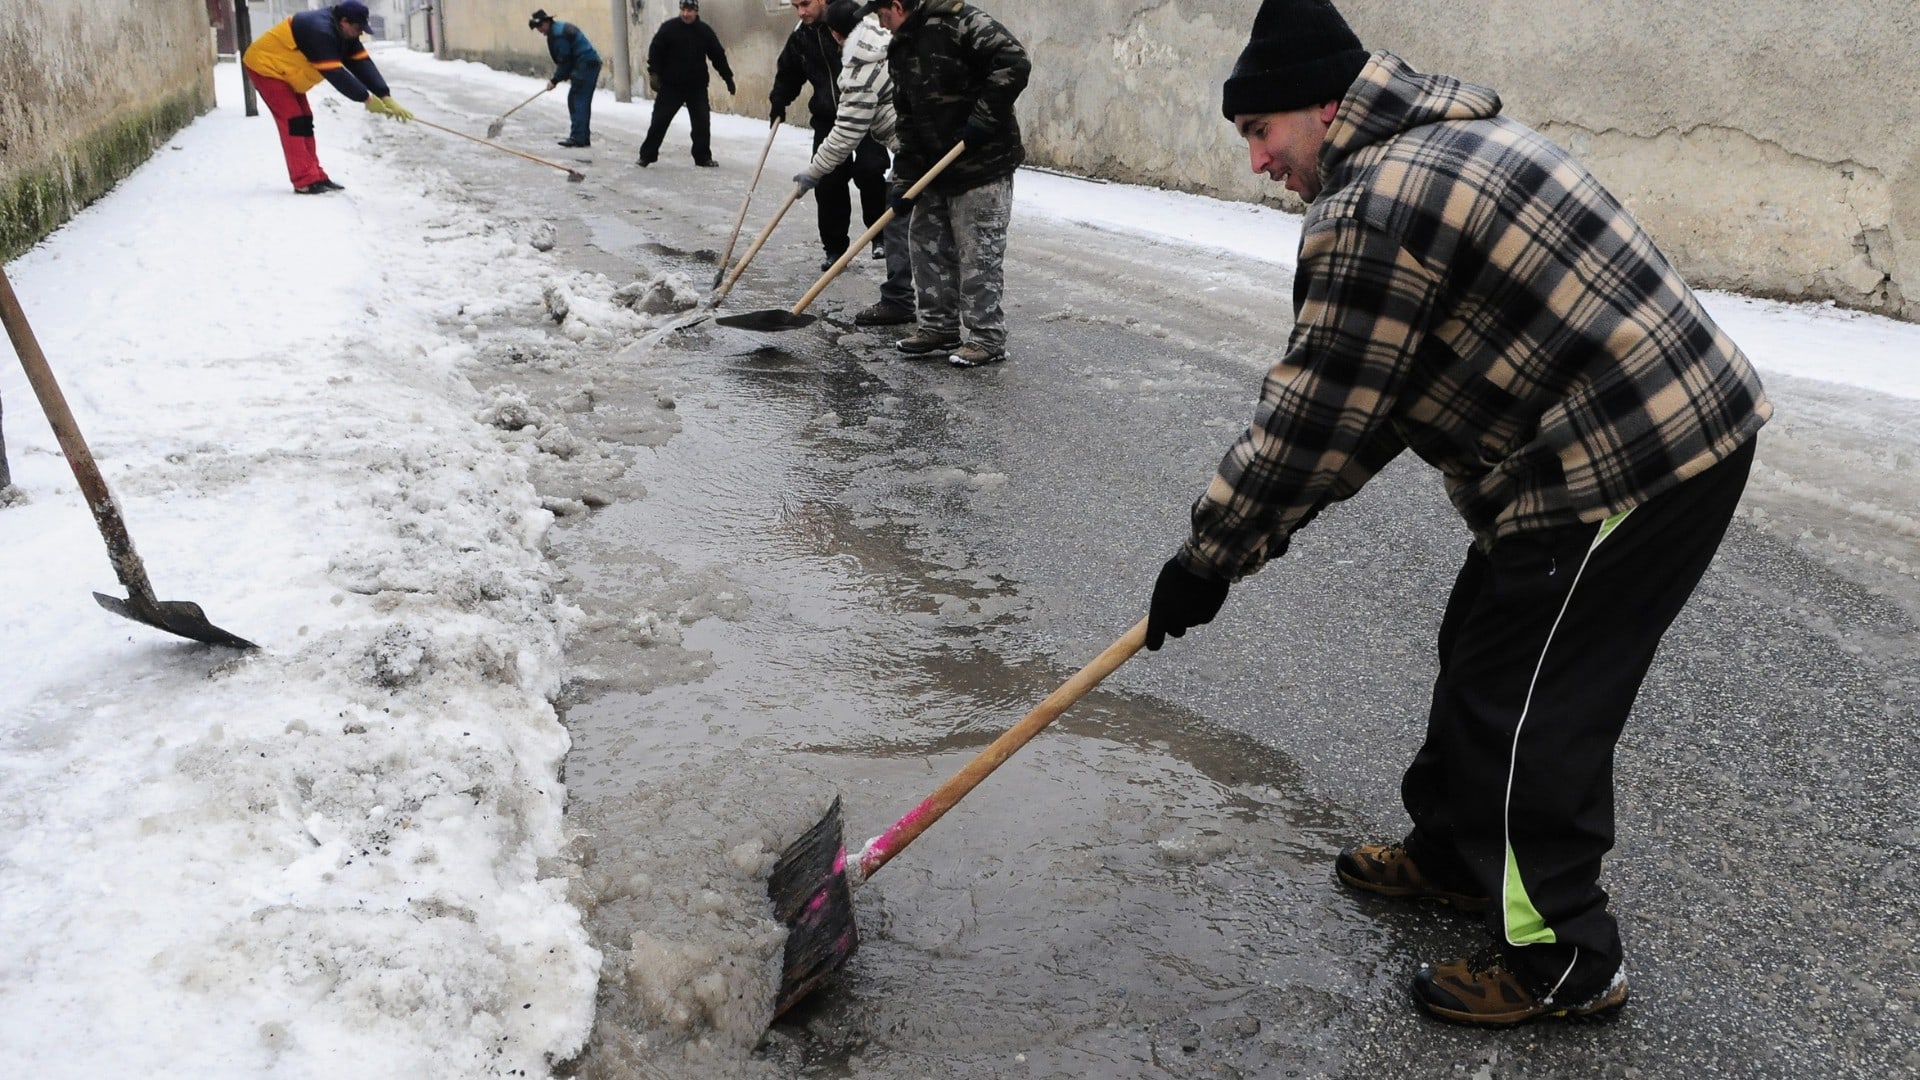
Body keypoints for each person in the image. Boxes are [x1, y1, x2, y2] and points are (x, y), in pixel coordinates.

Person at [1143, 0, 1772, 1028]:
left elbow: (1318, 414)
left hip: (1638, 454)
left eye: (1260, 131)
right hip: (1597, 436)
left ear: (1323, 106)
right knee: (1479, 642)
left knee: (1526, 704)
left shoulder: (1372, 206)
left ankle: (1566, 958)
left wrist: (1209, 557)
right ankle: (1452, 854)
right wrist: (1246, 539)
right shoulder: (1444, 140)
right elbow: (1377, 397)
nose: (1257, 161)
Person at [865, 0, 1029, 369]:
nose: (880, 22)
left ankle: (986, 337)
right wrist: (904, 179)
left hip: (981, 162)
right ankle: (938, 327)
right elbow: (906, 116)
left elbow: (1014, 61)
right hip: (934, 167)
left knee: (978, 253)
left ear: (897, 5)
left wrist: (982, 120)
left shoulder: (959, 22)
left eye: (881, 14)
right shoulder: (901, 47)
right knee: (927, 246)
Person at [791, 0, 913, 326]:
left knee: (902, 222)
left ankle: (902, 302)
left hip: (916, 148)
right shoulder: (884, 38)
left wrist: (813, 171)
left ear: (835, 34)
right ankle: (932, 310)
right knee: (922, 224)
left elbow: (845, 133)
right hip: (921, 142)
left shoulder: (860, 68)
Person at [241, 1, 414, 194]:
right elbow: (336, 73)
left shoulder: (345, 34)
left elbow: (362, 64)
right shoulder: (319, 30)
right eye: (358, 28)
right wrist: (366, 99)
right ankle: (304, 180)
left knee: (305, 119)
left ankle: (315, 175)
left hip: (287, 72)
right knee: (294, 121)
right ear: (344, 21)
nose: (360, 33)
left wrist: (385, 95)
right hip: (265, 67)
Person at [772, 0, 892, 275]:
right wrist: (779, 99)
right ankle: (835, 248)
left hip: (868, 114)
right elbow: (789, 71)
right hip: (828, 116)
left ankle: (880, 234)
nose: (801, 12)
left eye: (805, 4)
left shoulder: (850, 19)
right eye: (795, 6)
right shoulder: (802, 36)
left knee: (870, 170)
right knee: (829, 182)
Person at [638, 0, 734, 168]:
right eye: (683, 10)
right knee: (659, 121)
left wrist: (728, 78)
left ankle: (702, 157)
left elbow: (718, 55)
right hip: (671, 86)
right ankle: (647, 155)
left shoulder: (704, 31)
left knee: (701, 123)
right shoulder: (669, 29)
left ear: (696, 11)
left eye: (690, 10)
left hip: (696, 87)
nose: (686, 14)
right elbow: (656, 50)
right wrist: (654, 73)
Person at [529, 9, 602, 148]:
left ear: (546, 22)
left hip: (586, 65)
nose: (539, 30)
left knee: (577, 100)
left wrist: (554, 80)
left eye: (540, 26)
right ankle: (582, 137)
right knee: (579, 100)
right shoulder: (558, 29)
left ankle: (578, 138)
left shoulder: (558, 35)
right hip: (588, 64)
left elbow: (565, 61)